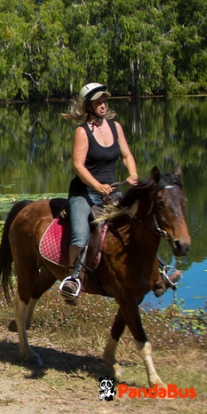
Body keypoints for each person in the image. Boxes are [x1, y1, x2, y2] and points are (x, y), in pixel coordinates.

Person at [60, 83, 139, 303]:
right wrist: (96, 185)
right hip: (84, 193)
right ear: (89, 106)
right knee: (80, 231)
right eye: (98, 102)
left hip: (111, 193)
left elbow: (126, 155)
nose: (103, 105)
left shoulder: (116, 127)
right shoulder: (82, 132)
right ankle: (74, 280)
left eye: (104, 101)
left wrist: (132, 173)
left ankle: (160, 272)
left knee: (137, 223)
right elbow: (78, 166)